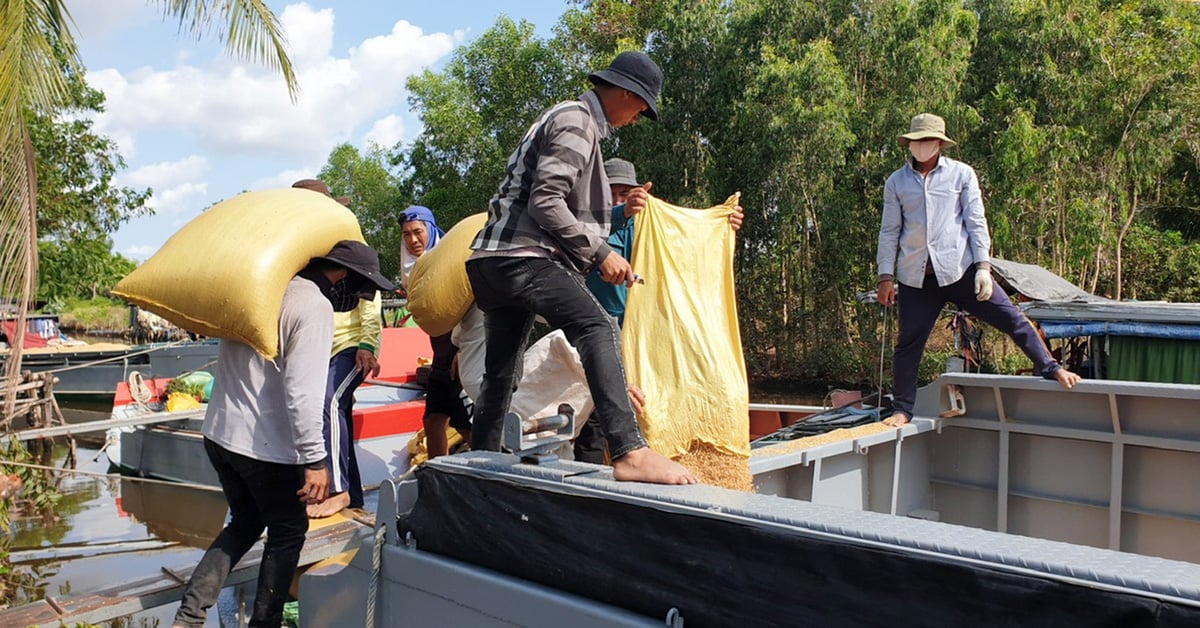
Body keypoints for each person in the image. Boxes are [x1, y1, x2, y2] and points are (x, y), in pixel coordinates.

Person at [465, 50, 697, 485]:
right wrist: (601, 253)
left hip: (490, 262)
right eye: (641, 107)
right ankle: (630, 451)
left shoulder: (567, 118)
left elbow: (561, 203)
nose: (637, 117)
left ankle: (478, 463)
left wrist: (620, 215)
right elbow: (546, 201)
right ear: (627, 94)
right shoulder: (578, 121)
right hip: (523, 255)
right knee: (598, 326)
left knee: (501, 372)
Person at [171, 240, 395, 628]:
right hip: (262, 446)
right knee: (288, 531)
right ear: (339, 276)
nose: (355, 301)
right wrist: (315, 461)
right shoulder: (312, 306)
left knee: (244, 521)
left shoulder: (264, 290)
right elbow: (304, 394)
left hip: (220, 435)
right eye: (358, 291)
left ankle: (189, 615)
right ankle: (265, 622)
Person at [875, 113, 1080, 428]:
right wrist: (885, 277)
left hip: (961, 271)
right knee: (908, 345)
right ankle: (902, 409)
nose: (921, 146)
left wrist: (983, 267)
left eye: (927, 141)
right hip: (917, 278)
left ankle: (1051, 367)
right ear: (910, 144)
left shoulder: (961, 175)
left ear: (940, 144)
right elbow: (890, 231)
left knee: (1011, 317)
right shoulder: (896, 182)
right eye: (916, 141)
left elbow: (975, 221)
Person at [573, 158, 745, 463]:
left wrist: (722, 228)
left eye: (625, 193)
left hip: (646, 339)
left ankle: (652, 465)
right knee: (597, 416)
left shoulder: (652, 228)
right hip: (599, 335)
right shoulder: (587, 222)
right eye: (610, 193)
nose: (617, 199)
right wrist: (621, 212)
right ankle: (590, 485)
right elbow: (582, 239)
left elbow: (689, 247)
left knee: (647, 409)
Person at [291, 179, 386, 518]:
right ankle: (355, 496)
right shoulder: (304, 251)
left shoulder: (347, 244)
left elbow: (370, 301)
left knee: (328, 403)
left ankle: (339, 490)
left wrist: (367, 343)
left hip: (349, 344)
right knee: (337, 411)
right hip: (316, 347)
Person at [400, 206, 471, 460]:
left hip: (459, 352)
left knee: (466, 424)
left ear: (430, 230)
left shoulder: (450, 261)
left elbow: (471, 305)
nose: (413, 240)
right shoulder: (414, 270)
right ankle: (438, 476)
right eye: (406, 234)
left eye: (418, 232)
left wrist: (465, 349)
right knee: (433, 420)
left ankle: (492, 477)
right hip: (440, 353)